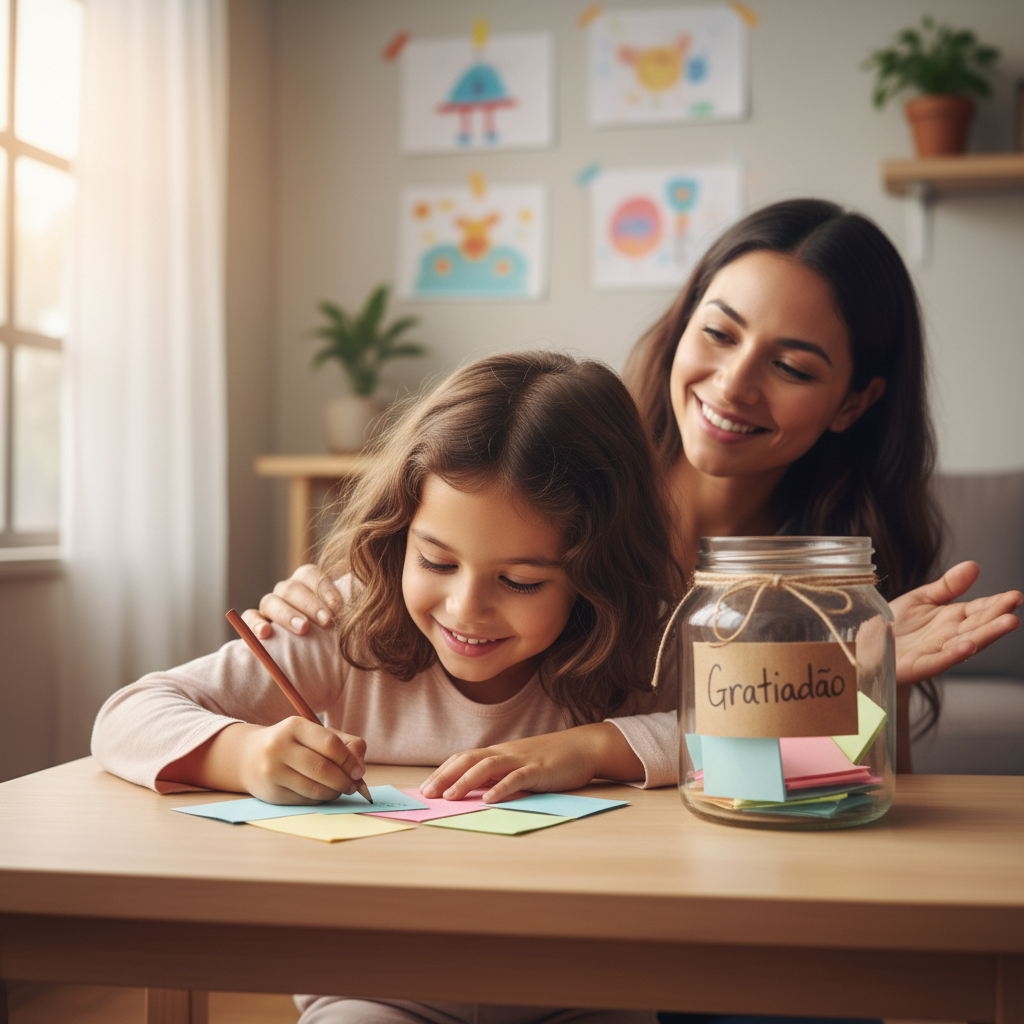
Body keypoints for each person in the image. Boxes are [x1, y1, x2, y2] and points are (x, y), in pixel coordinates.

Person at [244, 199, 1022, 798]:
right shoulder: (560, 485)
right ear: (682, 326)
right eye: (718, 333)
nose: (734, 384)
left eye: (792, 366)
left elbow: (845, 778)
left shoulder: (835, 573)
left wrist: (860, 683)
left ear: (853, 403)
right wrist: (321, 595)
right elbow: (395, 602)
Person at [91, 351, 682, 1024]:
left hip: (582, 986)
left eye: (520, 581)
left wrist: (594, 748)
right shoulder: (343, 624)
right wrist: (247, 756)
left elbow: (784, 748)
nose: (465, 609)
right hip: (372, 984)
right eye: (436, 560)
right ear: (400, 533)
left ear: (597, 574)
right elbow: (128, 714)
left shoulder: (640, 646)